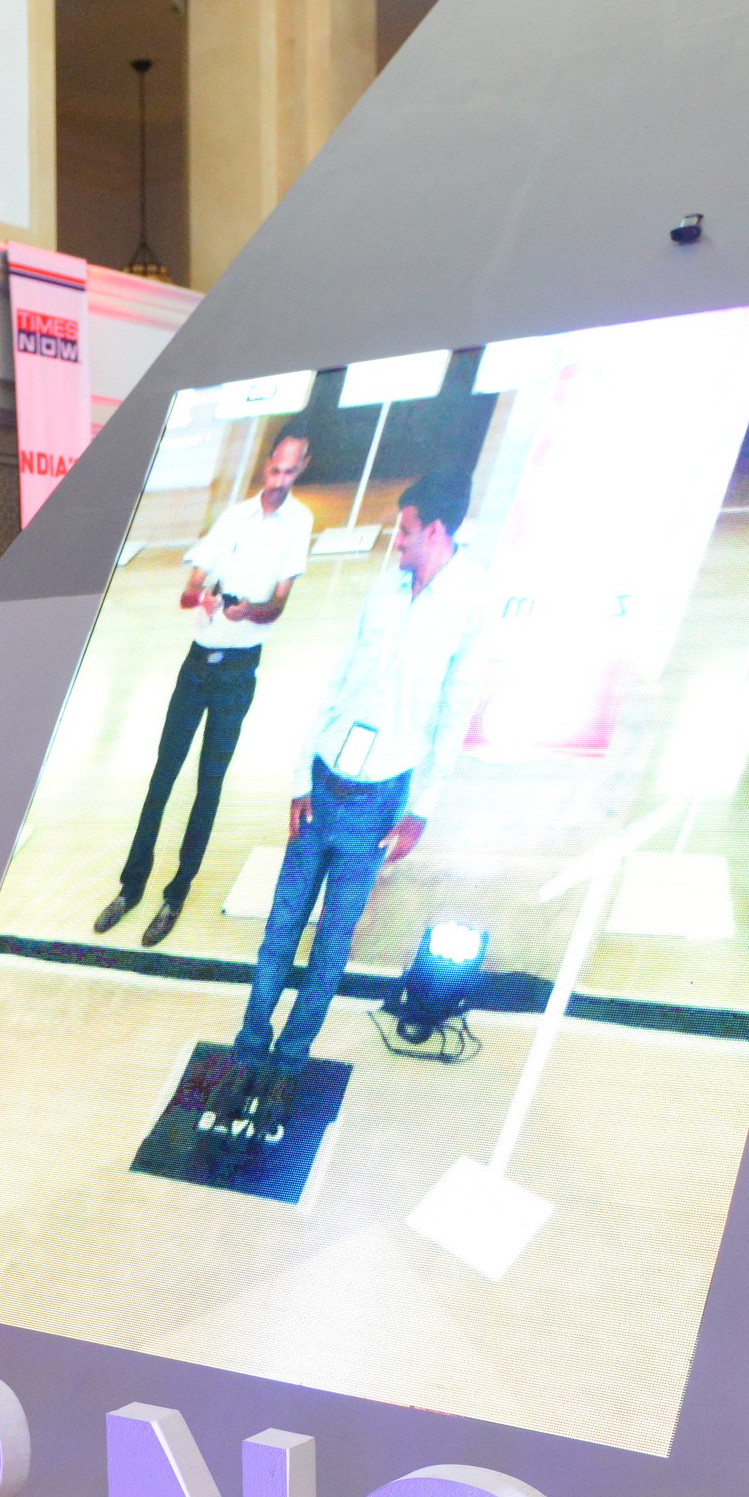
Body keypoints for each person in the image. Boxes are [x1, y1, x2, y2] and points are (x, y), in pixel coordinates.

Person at [222, 468, 492, 1137]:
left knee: (331, 945)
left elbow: (453, 714)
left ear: (436, 531)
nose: (396, 541)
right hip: (323, 782)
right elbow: (338, 680)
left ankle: (288, 1063)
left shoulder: (471, 603)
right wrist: (298, 777)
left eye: (405, 531)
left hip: (380, 800)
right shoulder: (384, 587)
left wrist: (420, 808)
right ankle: (248, 1051)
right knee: (279, 930)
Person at [98, 427, 317, 948]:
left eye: (290, 472)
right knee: (162, 774)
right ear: (266, 464)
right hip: (196, 664)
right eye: (275, 469)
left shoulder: (299, 523)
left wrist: (249, 610)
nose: (280, 481)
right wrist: (201, 595)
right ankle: (131, 886)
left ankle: (176, 894)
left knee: (208, 784)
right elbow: (189, 588)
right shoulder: (235, 517)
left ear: (301, 469)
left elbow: (278, 604)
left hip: (238, 671)